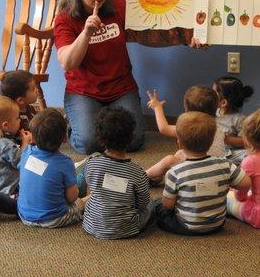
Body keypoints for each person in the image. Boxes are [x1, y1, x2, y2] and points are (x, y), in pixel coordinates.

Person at [53, 0, 145, 155]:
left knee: (134, 141)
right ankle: (73, 124)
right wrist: (86, 33)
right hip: (83, 91)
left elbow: (152, 31)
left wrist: (189, 39)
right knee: (89, 144)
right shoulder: (65, 18)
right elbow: (67, 63)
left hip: (121, 88)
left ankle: (100, 120)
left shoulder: (119, 7)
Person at [153, 112, 250, 235]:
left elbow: (168, 204)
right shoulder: (226, 165)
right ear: (210, 143)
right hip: (218, 223)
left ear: (180, 143)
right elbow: (246, 183)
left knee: (157, 205)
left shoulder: (175, 172)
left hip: (187, 226)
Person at [83, 107, 153, 239]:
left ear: (99, 138)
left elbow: (91, 190)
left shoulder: (91, 163)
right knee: (153, 205)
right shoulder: (137, 172)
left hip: (91, 224)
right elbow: (142, 204)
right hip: (126, 229)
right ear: (132, 137)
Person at [18, 108, 87, 228]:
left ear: (33, 138)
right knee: (83, 198)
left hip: (24, 215)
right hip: (54, 218)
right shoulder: (65, 162)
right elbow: (72, 198)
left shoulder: (27, 152)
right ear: (65, 139)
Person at [146, 85, 227, 183]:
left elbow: (164, 128)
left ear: (188, 111)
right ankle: (157, 175)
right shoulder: (218, 126)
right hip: (217, 170)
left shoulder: (189, 127)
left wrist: (157, 107)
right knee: (180, 153)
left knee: (169, 160)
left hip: (195, 173)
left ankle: (142, 176)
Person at [213, 76, 254, 165]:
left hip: (232, 152)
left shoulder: (240, 119)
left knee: (248, 155)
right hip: (215, 149)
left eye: (213, 93)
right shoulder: (212, 112)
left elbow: (246, 141)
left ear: (223, 102)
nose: (209, 95)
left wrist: (227, 139)